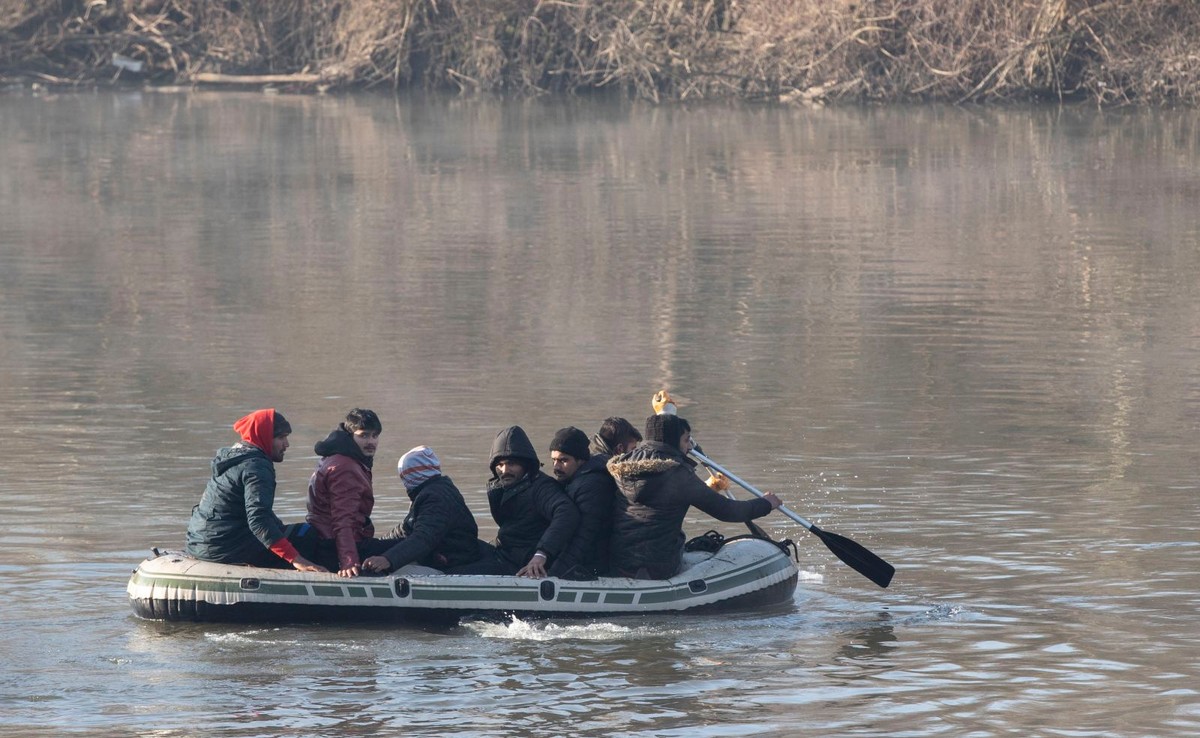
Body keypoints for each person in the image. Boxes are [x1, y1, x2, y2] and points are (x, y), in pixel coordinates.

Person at [607, 413, 782, 579]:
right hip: (657, 565)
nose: (689, 447)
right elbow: (728, 511)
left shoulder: (623, 466)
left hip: (619, 560)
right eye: (685, 440)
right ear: (673, 441)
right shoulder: (677, 474)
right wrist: (766, 504)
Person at [185, 408, 326, 572]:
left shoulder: (233, 457)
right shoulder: (257, 467)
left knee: (286, 532)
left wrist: (280, 532)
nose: (287, 444)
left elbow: (260, 513)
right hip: (224, 548)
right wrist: (297, 559)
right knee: (307, 533)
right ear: (264, 437)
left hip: (199, 543)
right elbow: (258, 519)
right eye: (281, 438)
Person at [462, 425, 579, 578]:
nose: (505, 471)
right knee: (458, 549)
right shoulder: (505, 487)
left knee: (460, 572)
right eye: (500, 464)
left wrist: (541, 554)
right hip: (504, 550)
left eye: (511, 464)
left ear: (525, 465)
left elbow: (566, 512)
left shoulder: (541, 487)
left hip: (521, 563)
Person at [361, 446, 484, 574]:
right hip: (439, 552)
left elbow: (424, 537)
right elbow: (406, 528)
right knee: (369, 548)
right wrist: (378, 544)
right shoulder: (433, 490)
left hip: (449, 559)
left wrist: (388, 559)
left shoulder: (435, 497)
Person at [305, 408, 392, 577]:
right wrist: (349, 561)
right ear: (350, 435)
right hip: (333, 545)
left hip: (324, 537)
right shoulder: (346, 467)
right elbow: (343, 519)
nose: (371, 441)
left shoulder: (336, 457)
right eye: (364, 435)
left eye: (375, 435)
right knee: (409, 548)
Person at [547, 426, 616, 579]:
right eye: (554, 460)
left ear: (581, 461)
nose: (556, 467)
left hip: (593, 565)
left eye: (563, 460)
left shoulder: (592, 486)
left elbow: (583, 538)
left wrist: (554, 575)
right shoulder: (573, 480)